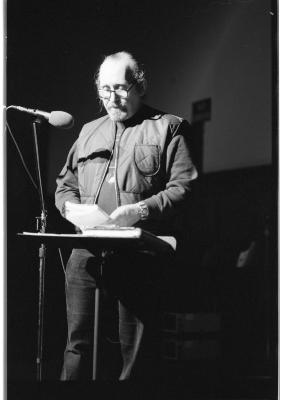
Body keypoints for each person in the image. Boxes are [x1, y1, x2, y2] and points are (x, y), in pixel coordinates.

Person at [55, 51, 197, 380]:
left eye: (120, 87)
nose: (111, 97)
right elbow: (65, 186)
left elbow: (184, 188)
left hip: (140, 253)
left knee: (136, 352)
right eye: (104, 89)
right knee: (77, 346)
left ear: (139, 85)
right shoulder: (89, 131)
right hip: (86, 252)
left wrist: (140, 209)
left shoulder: (168, 127)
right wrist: (72, 210)